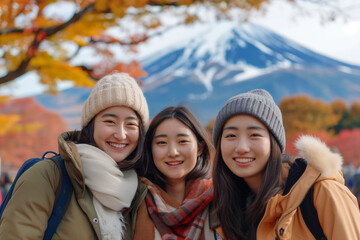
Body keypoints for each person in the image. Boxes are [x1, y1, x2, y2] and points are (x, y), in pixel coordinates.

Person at [0, 72, 149, 239]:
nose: (121, 134)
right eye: (110, 122)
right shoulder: (47, 176)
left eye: (131, 124)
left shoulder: (140, 192)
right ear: (90, 125)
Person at [211, 89, 360, 240]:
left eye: (254, 135)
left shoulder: (322, 191)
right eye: (231, 136)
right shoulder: (224, 208)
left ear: (274, 143)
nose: (242, 147)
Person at [127, 106, 215, 240]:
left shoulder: (220, 199)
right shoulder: (133, 201)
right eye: (162, 142)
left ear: (200, 148)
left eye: (182, 141)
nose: (173, 152)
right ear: (150, 150)